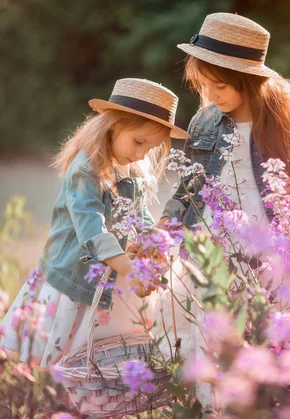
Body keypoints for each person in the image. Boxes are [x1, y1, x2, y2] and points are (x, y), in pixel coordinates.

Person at [155, 13, 290, 405]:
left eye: (219, 86)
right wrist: (169, 219)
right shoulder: (205, 120)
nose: (211, 95)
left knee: (269, 333)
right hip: (212, 245)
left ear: (249, 80)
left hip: (270, 245)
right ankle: (213, 415)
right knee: (211, 330)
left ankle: (265, 415)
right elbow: (190, 186)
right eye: (203, 85)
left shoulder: (285, 116)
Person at [1, 78, 188, 369]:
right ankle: (58, 400)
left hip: (109, 277)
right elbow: (91, 226)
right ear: (112, 125)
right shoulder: (85, 169)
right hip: (73, 279)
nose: (141, 154)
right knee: (63, 354)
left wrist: (150, 239)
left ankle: (87, 403)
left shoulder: (130, 167)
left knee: (96, 357)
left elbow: (136, 213)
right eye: (138, 142)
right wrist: (131, 269)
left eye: (150, 148)